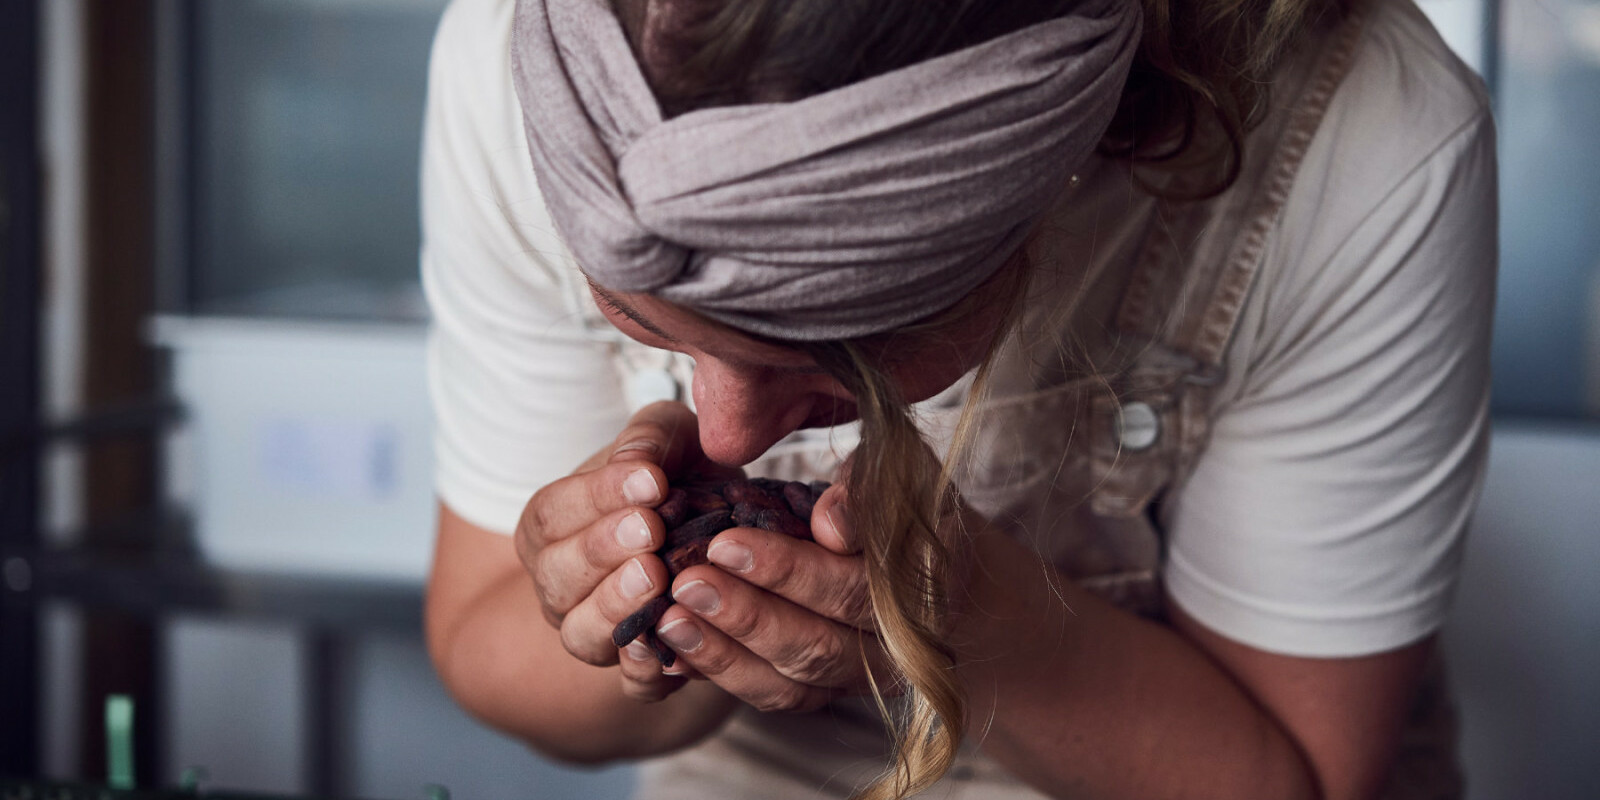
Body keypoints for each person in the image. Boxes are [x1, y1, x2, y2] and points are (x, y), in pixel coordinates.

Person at [419, 0, 1496, 797]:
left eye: (844, 358)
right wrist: (677, 617)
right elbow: (483, 642)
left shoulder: (1368, 147)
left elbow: (1295, 776)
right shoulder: (523, 73)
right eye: (648, 326)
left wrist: (950, 616)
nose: (723, 431)